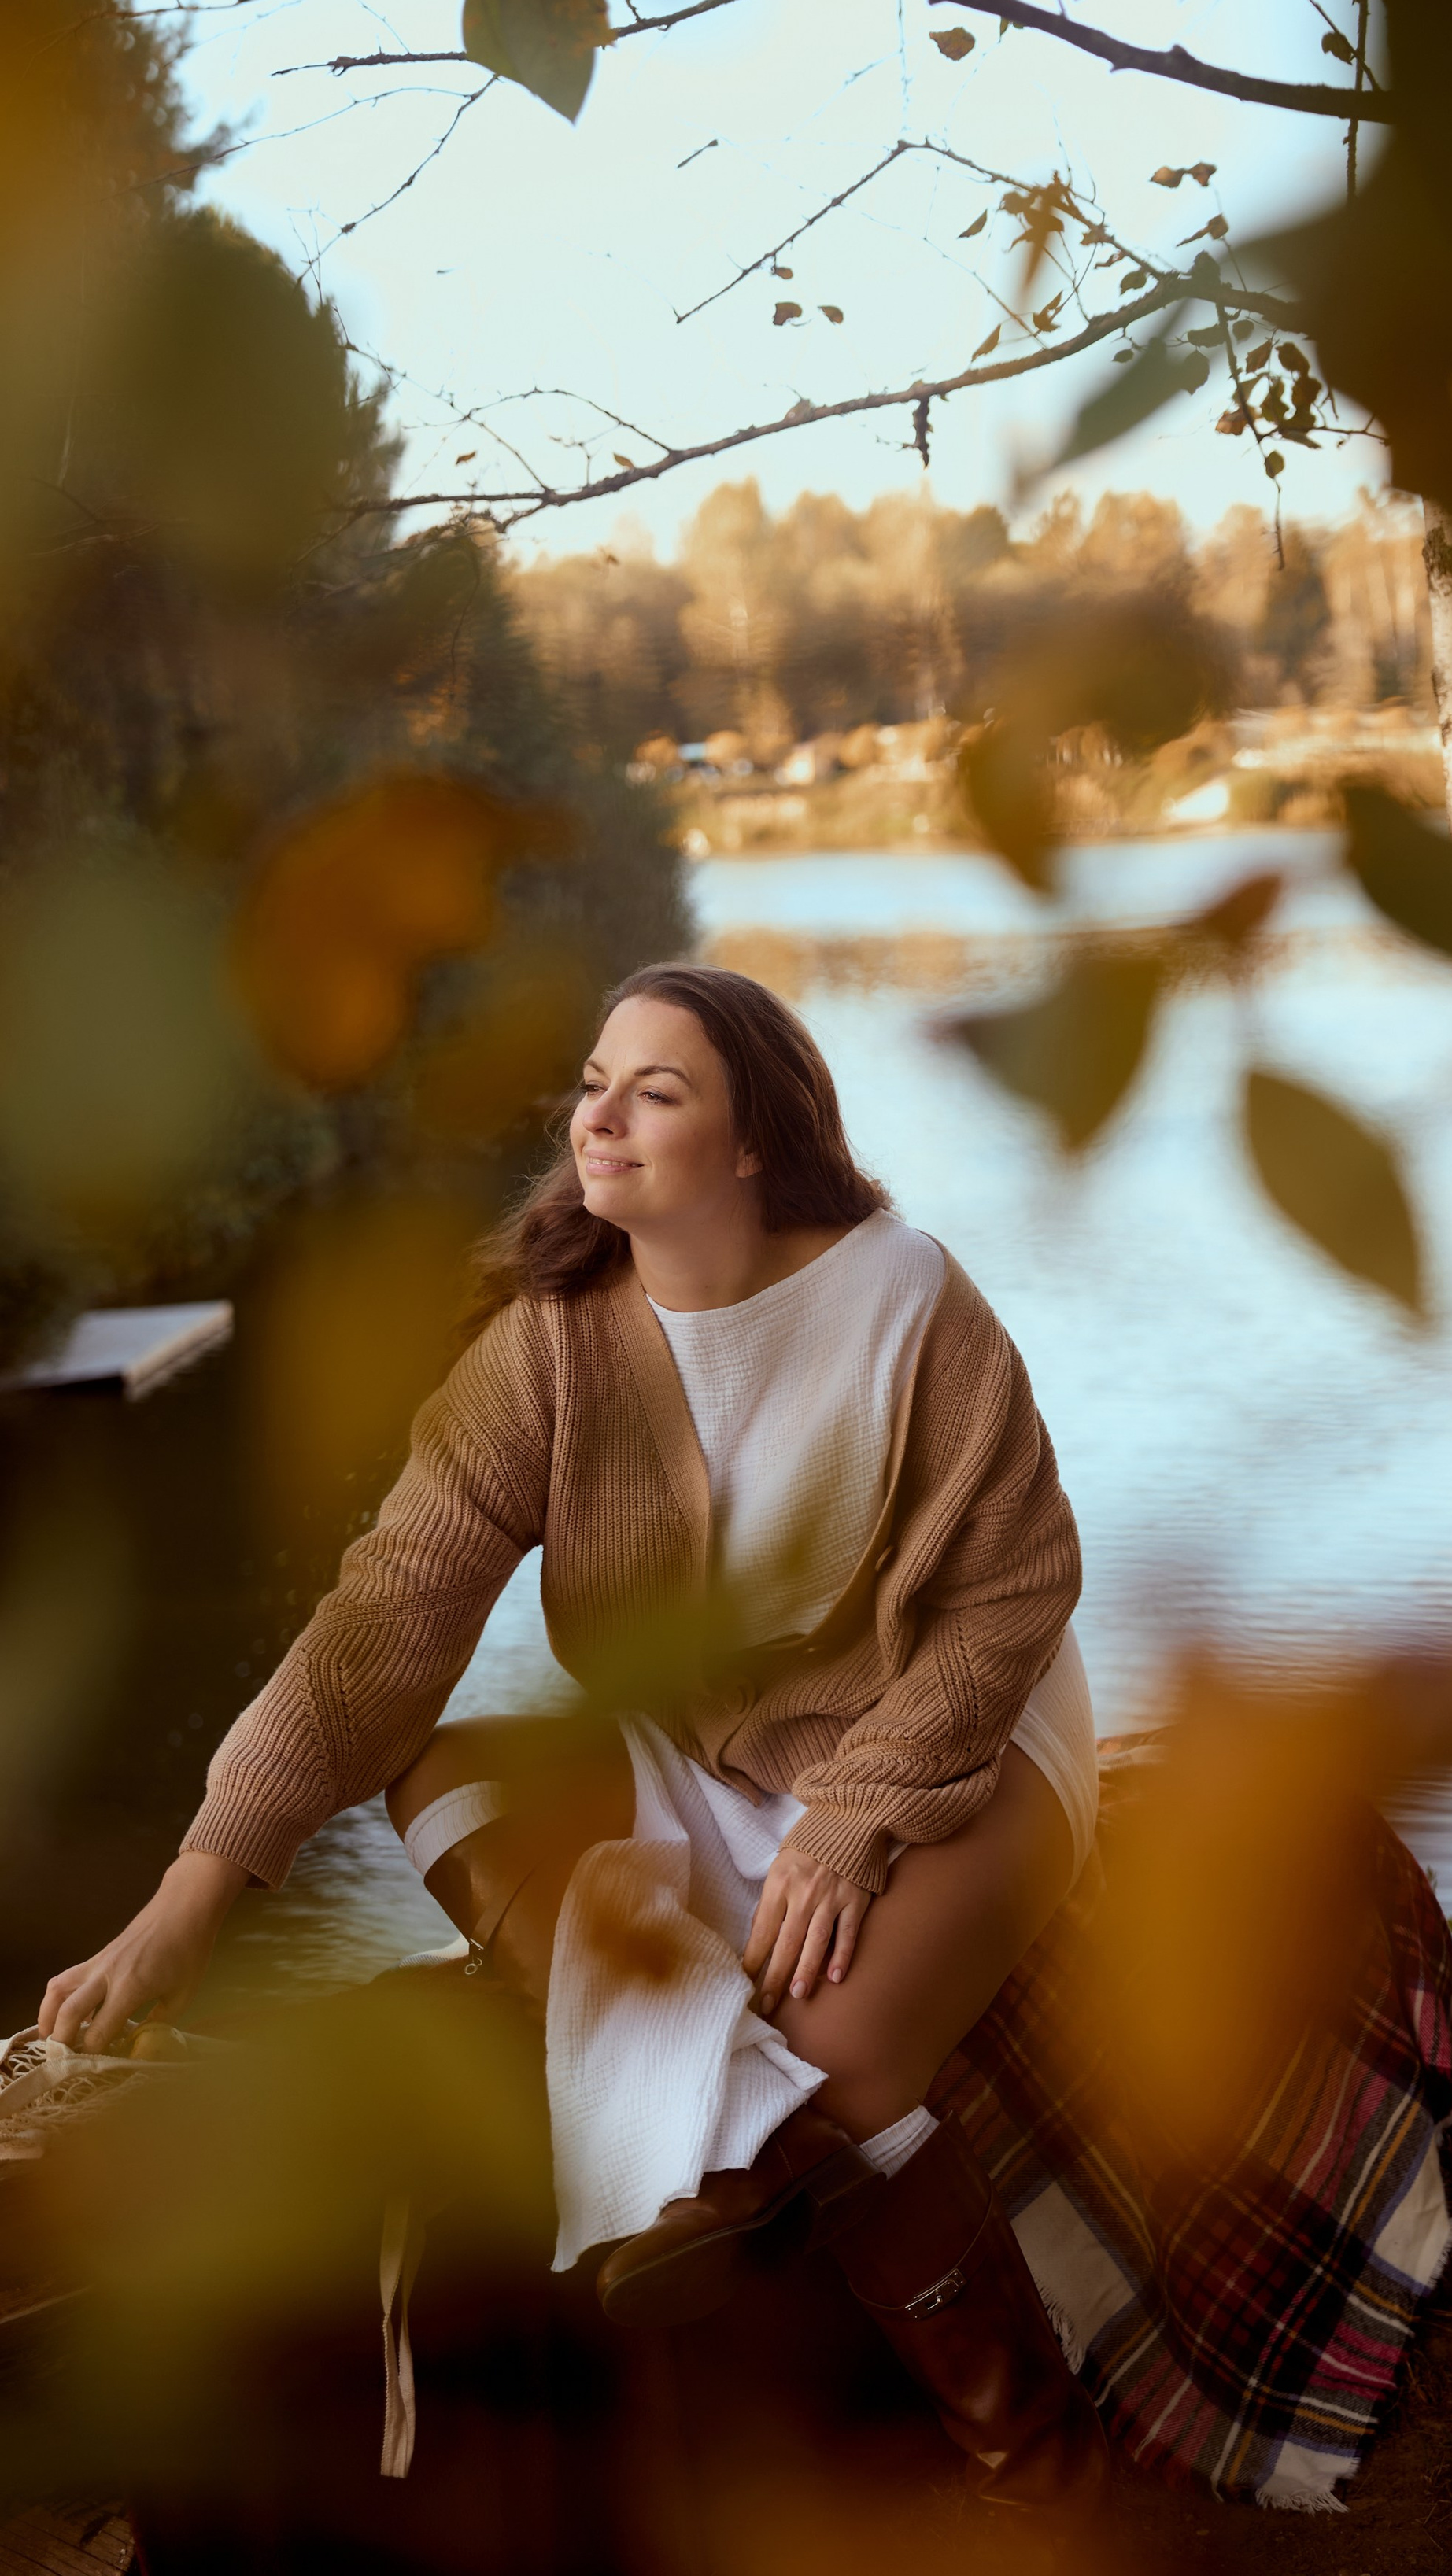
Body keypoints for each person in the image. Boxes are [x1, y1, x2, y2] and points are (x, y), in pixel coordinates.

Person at [39, 963, 1107, 2515]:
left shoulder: (902, 1301)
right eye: (593, 1081)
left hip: (955, 1737)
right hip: (709, 1757)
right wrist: (203, 1878)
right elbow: (379, 1629)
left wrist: (864, 1807)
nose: (595, 1116)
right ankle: (728, 2156)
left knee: (848, 2052)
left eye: (653, 1091)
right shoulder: (547, 1348)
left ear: (752, 1142)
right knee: (441, 1766)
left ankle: (1038, 2455)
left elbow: (1013, 1594)